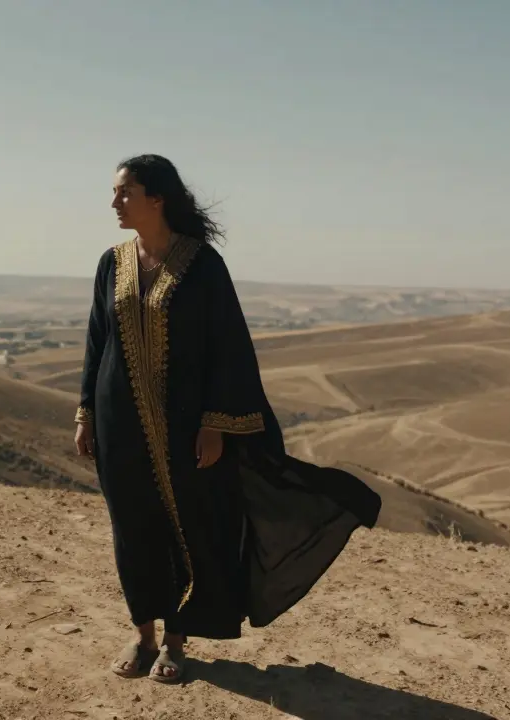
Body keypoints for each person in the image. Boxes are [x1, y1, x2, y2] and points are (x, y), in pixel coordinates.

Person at [74, 153, 382, 684]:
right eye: (115, 193)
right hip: (118, 422)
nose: (115, 202)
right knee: (132, 528)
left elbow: (229, 348)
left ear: (157, 198)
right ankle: (142, 633)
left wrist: (216, 421)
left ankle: (176, 637)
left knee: (190, 529)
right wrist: (85, 414)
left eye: (125, 192)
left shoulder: (202, 264)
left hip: (188, 425)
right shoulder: (112, 262)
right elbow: (97, 341)